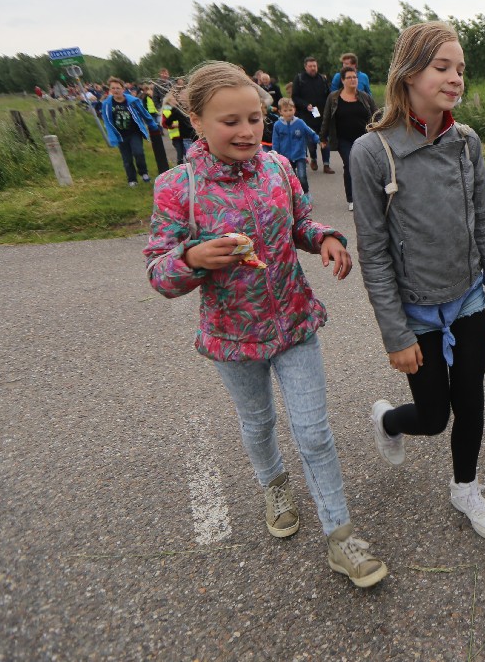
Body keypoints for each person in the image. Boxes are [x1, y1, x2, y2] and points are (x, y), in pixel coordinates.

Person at [143, 61, 387, 589]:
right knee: (257, 424)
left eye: (255, 118)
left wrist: (325, 238)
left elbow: (301, 222)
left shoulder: (277, 167)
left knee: (314, 432)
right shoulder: (177, 187)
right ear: (196, 121)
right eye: (230, 121)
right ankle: (274, 485)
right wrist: (192, 258)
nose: (247, 131)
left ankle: (341, 536)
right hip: (232, 336)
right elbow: (159, 272)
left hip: (294, 321)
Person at [347, 21, 485, 540]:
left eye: (460, 69)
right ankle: (388, 421)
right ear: (408, 73)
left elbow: (484, 223)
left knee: (471, 403)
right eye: (442, 67)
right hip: (415, 311)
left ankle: (466, 489)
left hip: (466, 299)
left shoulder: (467, 142)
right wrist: (395, 335)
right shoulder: (371, 152)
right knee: (434, 416)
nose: (456, 78)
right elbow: (373, 253)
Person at [321, 66, 378, 211]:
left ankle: (367, 196)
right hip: (343, 139)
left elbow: (377, 115)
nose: (353, 80)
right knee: (350, 164)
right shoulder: (333, 98)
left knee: (365, 166)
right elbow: (326, 118)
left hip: (364, 138)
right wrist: (323, 137)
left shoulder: (365, 97)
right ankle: (352, 198)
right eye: (349, 77)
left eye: (355, 77)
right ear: (342, 80)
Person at [100, 76, 153, 187]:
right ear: (110, 90)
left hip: (134, 133)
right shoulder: (107, 104)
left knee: (138, 153)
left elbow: (143, 112)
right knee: (127, 159)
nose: (115, 90)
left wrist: (151, 124)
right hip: (120, 135)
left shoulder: (132, 101)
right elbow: (107, 121)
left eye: (118, 88)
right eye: (113, 88)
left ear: (123, 89)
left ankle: (143, 172)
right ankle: (132, 179)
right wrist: (112, 136)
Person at [271, 98, 320, 193]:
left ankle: (306, 194)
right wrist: (275, 156)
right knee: (291, 179)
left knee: (302, 176)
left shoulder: (299, 122)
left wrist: (319, 140)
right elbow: (275, 141)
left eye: (290, 110)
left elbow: (310, 132)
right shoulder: (277, 125)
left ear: (294, 109)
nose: (288, 113)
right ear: (280, 112)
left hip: (299, 155)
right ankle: (295, 195)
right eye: (285, 110)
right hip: (285, 158)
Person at [292, 57, 331, 173]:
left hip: (322, 115)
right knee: (311, 140)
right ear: (305, 67)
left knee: (324, 138)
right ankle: (313, 158)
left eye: (315, 66)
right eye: (310, 66)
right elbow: (295, 97)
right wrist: (305, 105)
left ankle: (326, 164)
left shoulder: (322, 79)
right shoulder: (300, 79)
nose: (313, 68)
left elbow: (328, 94)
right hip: (307, 115)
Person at [161, 83, 196, 163]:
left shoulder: (193, 106)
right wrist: (172, 125)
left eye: (187, 93)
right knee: (190, 158)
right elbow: (167, 122)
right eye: (184, 94)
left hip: (196, 135)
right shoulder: (177, 109)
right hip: (186, 136)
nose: (186, 96)